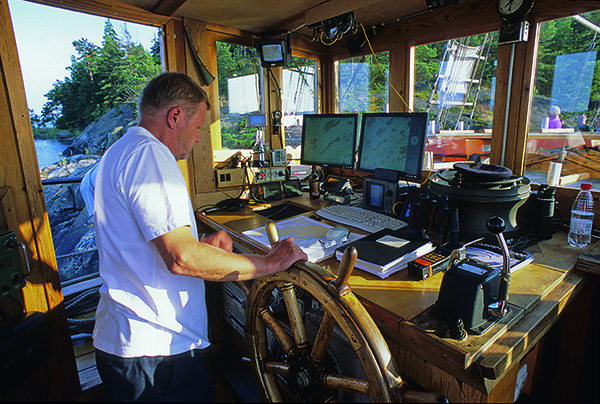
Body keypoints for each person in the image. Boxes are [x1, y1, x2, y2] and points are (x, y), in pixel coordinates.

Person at [92, 72, 308, 402]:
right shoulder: (150, 156)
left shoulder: (121, 151)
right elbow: (180, 258)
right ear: (175, 116)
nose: (197, 139)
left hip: (134, 341)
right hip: (154, 350)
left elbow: (150, 247)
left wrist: (203, 249)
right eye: (198, 128)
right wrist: (269, 263)